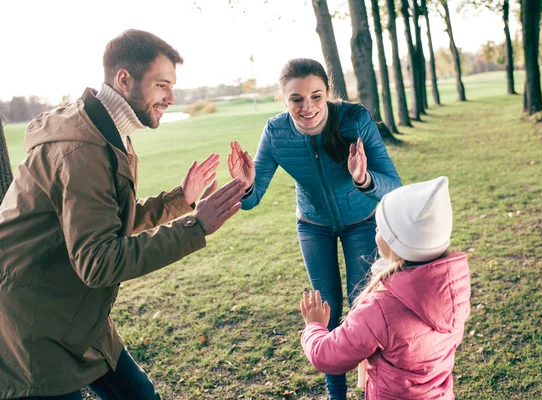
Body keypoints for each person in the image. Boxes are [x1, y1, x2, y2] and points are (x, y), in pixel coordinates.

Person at [0, 29, 246, 400]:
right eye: (162, 85)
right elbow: (98, 262)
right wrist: (195, 226)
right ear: (124, 79)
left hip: (79, 311)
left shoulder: (104, 129)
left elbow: (104, 220)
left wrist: (181, 200)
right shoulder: (83, 150)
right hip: (36, 322)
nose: (171, 97)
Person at [228, 58, 402, 399]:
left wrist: (363, 179)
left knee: (363, 308)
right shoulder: (276, 133)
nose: (307, 107)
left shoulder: (354, 119)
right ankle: (336, 395)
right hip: (313, 226)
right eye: (296, 99)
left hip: (361, 221)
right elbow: (251, 200)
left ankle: (373, 391)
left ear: (328, 94)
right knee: (327, 313)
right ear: (283, 99)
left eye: (316, 97)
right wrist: (245, 185)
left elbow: (393, 185)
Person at [300, 176, 472, 400]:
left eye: (380, 229)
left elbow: (326, 356)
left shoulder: (380, 309)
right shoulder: (454, 288)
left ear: (398, 243)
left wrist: (314, 325)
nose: (376, 233)